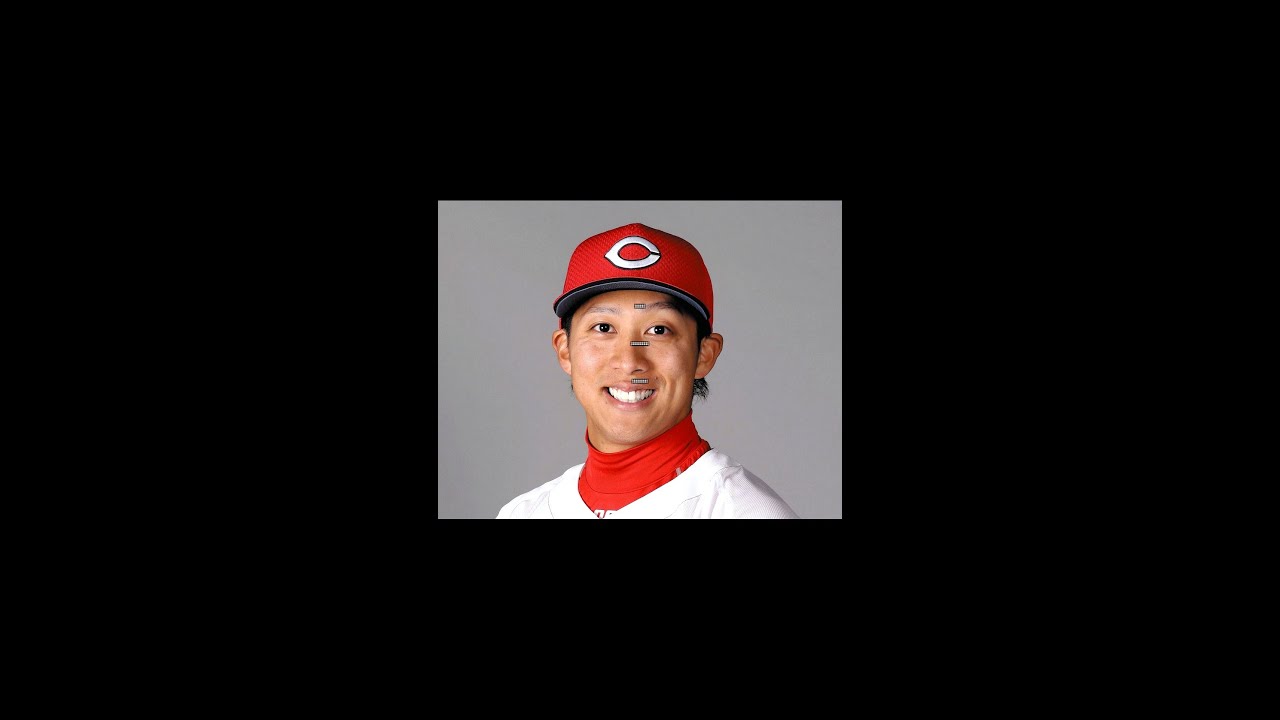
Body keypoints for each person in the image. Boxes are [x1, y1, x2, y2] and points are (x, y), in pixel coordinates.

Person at [496, 222, 799, 519]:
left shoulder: (744, 511)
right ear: (565, 350)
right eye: (603, 328)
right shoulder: (522, 513)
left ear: (704, 354)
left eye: (658, 330)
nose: (629, 362)